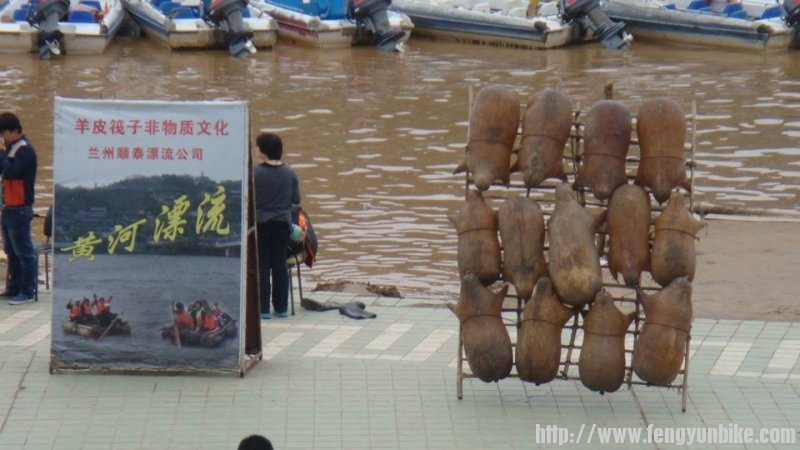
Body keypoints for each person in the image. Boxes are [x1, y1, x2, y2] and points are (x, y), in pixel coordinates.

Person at [253, 133, 300, 320]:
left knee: (263, 265)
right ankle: (281, 307)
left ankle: (263, 309)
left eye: (257, 146)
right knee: (280, 264)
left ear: (263, 150)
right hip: (282, 224)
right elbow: (296, 199)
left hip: (261, 224)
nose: (256, 149)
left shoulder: (256, 173)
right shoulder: (289, 172)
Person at [0, 112, 38, 305]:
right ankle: (14, 287)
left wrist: (2, 154)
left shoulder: (25, 150)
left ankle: (27, 291)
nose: (3, 138)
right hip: (8, 206)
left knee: (24, 252)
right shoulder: (10, 149)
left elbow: (12, 171)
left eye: (4, 134)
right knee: (11, 251)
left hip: (20, 207)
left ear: (14, 130)